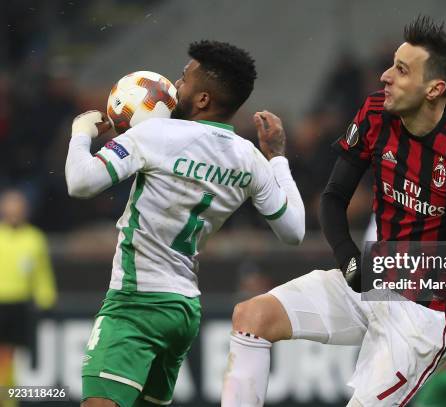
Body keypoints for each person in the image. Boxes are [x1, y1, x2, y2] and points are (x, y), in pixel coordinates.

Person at [221, 16, 446, 407]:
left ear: (434, 88)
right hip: (374, 279)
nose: (386, 76)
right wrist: (348, 259)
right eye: (392, 63)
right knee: (251, 317)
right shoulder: (376, 113)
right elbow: (335, 197)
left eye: (402, 70)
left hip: (425, 317)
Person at [65, 40, 305, 407]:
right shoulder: (251, 159)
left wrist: (81, 132)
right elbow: (294, 232)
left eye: (184, 78)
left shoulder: (154, 134)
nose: (175, 86)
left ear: (204, 99)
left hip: (136, 301)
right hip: (183, 310)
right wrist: (278, 159)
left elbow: (81, 183)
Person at [0, 189, 57, 407]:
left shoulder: (34, 238)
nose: (14, 212)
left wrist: (46, 298)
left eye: (18, 208)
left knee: (12, 355)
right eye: (10, 207)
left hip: (19, 304)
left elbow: (42, 273)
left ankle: (8, 400)